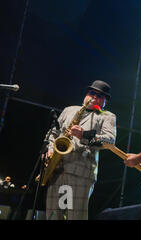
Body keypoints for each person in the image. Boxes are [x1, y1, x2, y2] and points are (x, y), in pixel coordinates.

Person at [44, 80, 116, 220]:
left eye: (99, 96)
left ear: (105, 101)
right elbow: (53, 133)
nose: (94, 97)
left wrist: (83, 135)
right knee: (53, 216)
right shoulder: (69, 110)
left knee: (75, 216)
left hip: (81, 172)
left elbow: (109, 140)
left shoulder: (107, 116)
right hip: (58, 169)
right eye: (92, 93)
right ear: (86, 94)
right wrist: (50, 149)